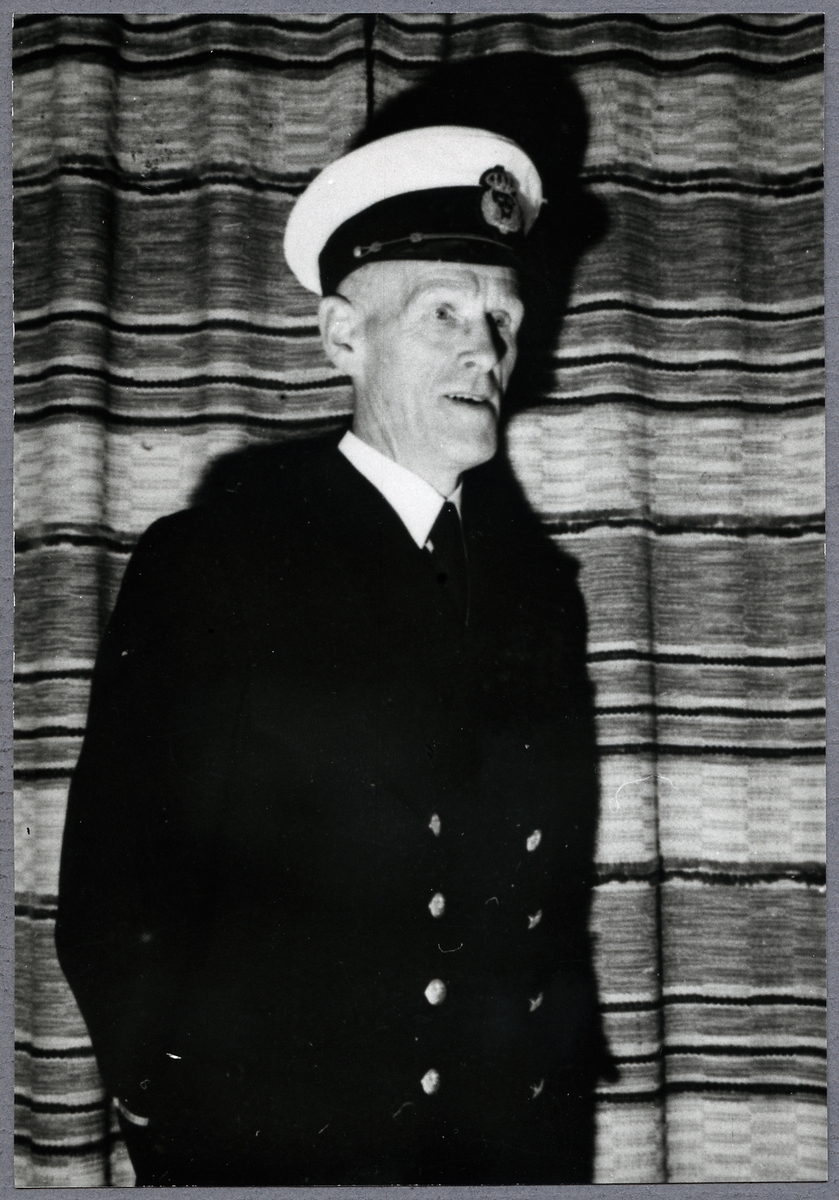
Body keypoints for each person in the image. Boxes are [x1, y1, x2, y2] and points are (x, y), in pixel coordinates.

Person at [56, 125, 605, 1186]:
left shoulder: (537, 596)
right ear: (342, 335)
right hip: (281, 1142)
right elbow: (116, 885)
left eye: (501, 319)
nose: (484, 351)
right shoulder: (221, 563)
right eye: (442, 313)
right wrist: (177, 1113)